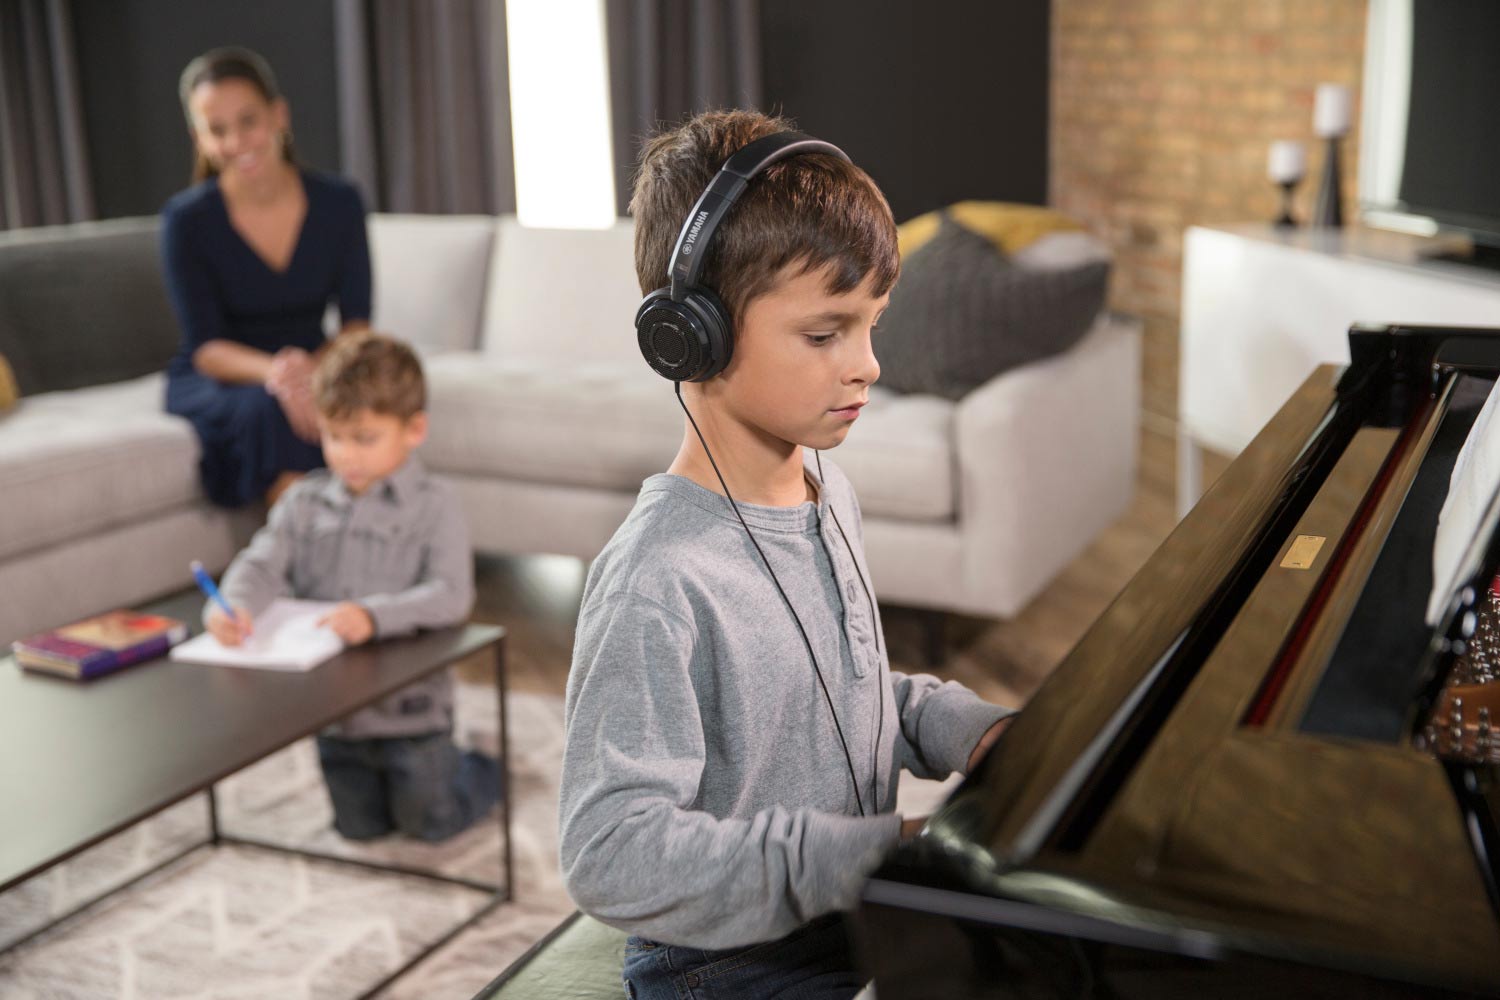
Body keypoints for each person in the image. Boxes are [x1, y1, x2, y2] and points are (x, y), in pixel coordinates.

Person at [558, 110, 1015, 1000]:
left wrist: (967, 728)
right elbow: (608, 852)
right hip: (729, 965)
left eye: (872, 326)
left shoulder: (822, 489)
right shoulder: (659, 577)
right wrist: (873, 854)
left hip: (846, 917)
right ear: (693, 334)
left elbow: (822, 699)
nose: (868, 366)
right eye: (825, 333)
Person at [204, 332, 499, 843]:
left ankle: (482, 764)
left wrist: (372, 615)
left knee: (431, 823)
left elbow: (452, 595)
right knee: (359, 830)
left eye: (364, 438)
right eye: (334, 436)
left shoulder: (436, 504)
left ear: (414, 429)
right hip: (336, 717)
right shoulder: (303, 502)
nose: (347, 454)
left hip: (412, 716)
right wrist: (232, 604)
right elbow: (261, 562)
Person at [162, 46, 372, 509]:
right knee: (269, 408)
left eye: (248, 121)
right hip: (227, 376)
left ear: (279, 115)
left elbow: (357, 324)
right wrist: (279, 374)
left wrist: (311, 371)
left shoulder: (340, 203)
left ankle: (340, 547)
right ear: (199, 138)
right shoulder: (186, 221)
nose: (237, 142)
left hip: (315, 359)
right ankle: (316, 558)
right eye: (217, 130)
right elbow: (207, 349)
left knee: (367, 397)